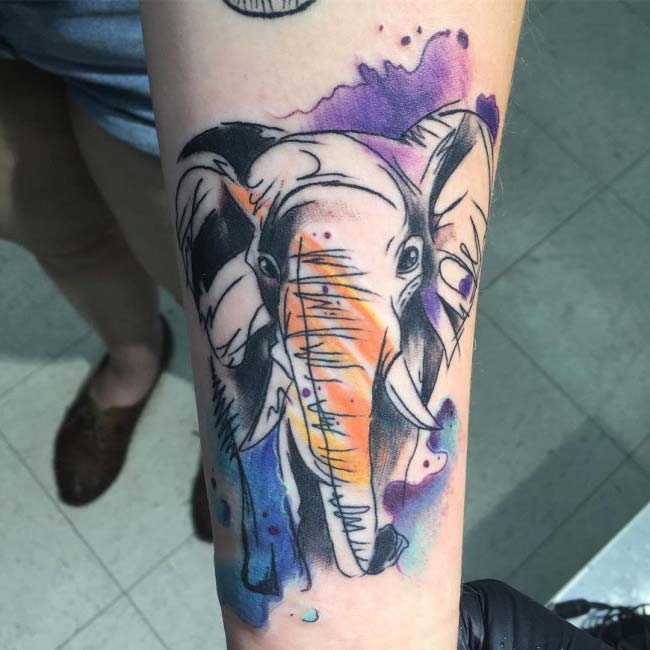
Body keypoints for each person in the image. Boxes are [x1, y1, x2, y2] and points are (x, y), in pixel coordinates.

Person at [0, 1, 611, 648]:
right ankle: (134, 358)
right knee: (68, 239)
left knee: (221, 340)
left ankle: (238, 458)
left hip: (159, 64)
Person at [0, 1, 212, 539]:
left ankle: (238, 420)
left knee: (218, 298)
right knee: (65, 237)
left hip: (157, 33)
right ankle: (133, 357)